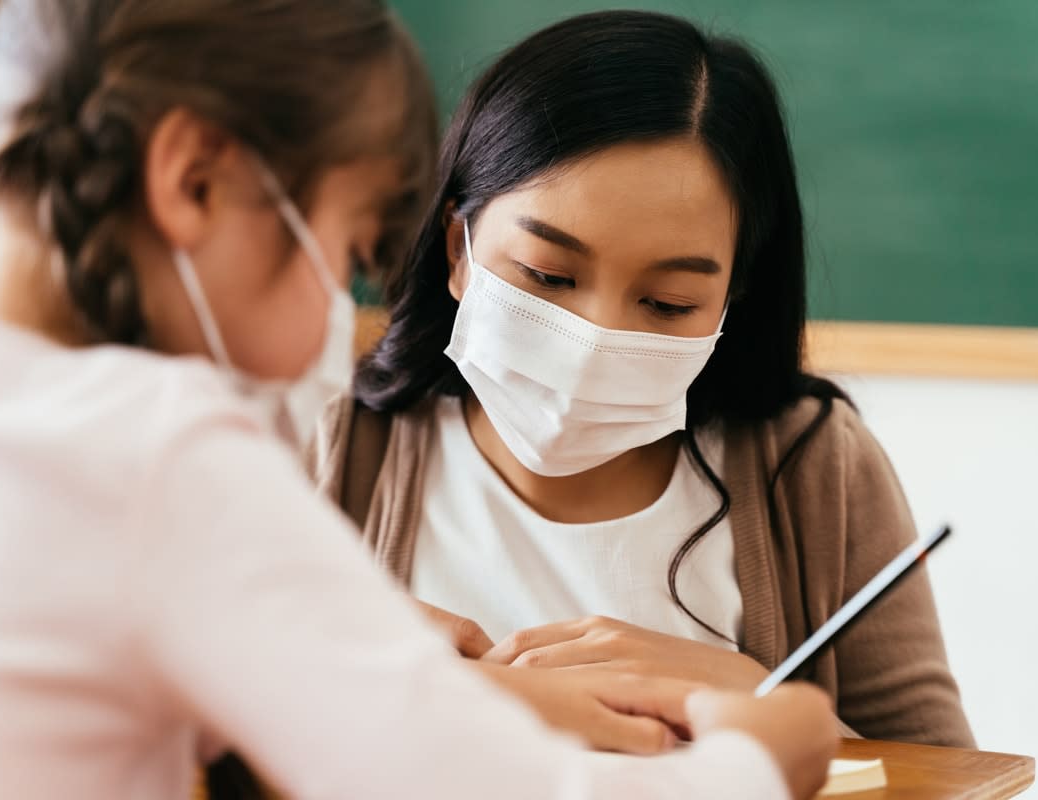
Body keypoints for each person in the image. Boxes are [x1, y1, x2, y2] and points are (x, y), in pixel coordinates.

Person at [0, 1, 839, 798]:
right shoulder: (160, 453)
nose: (338, 310)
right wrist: (759, 757)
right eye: (343, 246)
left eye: (668, 302)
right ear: (194, 183)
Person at [312, 8, 975, 748]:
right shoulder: (326, 448)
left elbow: (948, 782)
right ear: (457, 249)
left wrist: (751, 696)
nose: (594, 342)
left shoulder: (810, 465)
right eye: (546, 274)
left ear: (732, 301)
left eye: (668, 303)